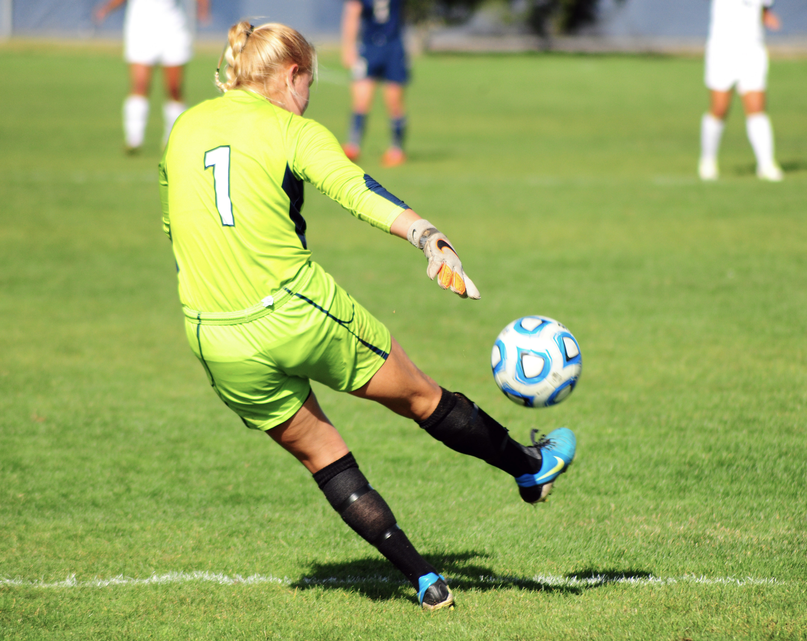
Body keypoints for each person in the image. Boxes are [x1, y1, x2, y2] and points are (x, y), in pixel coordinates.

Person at [159, 21, 578, 611]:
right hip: (296, 312)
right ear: (292, 74)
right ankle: (530, 467)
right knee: (421, 398)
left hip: (213, 333)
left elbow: (175, 227)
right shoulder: (290, 127)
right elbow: (356, 188)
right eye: (310, 82)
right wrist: (428, 236)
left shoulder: (184, 126)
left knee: (322, 455)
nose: (309, 95)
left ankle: (426, 581)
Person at [94, 0, 210, 154]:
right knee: (140, 85)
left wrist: (203, 8)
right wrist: (107, 8)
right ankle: (133, 139)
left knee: (174, 89)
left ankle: (172, 138)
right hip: (141, 26)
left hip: (174, 26)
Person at [698, 0, 783, 182]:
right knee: (719, 108)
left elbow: (764, 9)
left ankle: (766, 164)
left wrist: (767, 15)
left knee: (756, 107)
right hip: (722, 49)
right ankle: (708, 160)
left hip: (752, 50)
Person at [340, 0, 410, 167]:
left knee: (394, 100)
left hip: (394, 47)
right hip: (369, 47)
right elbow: (352, 14)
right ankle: (353, 146)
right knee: (361, 98)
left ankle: (396, 149)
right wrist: (348, 47)